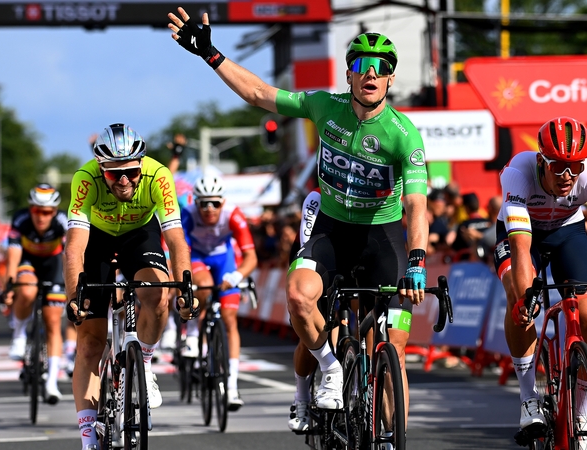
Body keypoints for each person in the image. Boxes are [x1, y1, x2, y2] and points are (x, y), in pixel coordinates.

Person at [167, 9, 429, 432]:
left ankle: (387, 437)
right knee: (299, 298)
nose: (371, 74)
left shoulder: (404, 134)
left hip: (383, 236)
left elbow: (417, 204)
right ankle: (325, 370)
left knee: (392, 352)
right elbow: (258, 94)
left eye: (381, 69)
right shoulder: (325, 106)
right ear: (349, 74)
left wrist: (417, 259)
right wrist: (210, 54)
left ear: (390, 80)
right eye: (361, 65)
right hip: (330, 227)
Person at [494, 116, 587, 441]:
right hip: (523, 235)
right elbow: (521, 247)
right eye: (558, 166)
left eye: (575, 167)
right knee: (519, 303)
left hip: (567, 232)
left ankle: (581, 415)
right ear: (541, 161)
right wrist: (525, 296)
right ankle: (527, 399)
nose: (567, 176)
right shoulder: (518, 173)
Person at [63, 123, 193, 450]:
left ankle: (145, 361)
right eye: (113, 174)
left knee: (157, 294)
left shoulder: (158, 175)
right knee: (90, 343)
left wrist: (185, 288)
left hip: (140, 235)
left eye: (131, 172)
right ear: (101, 170)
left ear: (141, 166)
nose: (124, 180)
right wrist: (72, 297)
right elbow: (75, 248)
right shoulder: (85, 177)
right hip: (98, 239)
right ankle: (88, 437)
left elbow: (176, 241)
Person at [180, 175, 258, 410]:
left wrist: (235, 277)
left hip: (224, 261)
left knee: (230, 319)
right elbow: (179, 250)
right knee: (202, 284)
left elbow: (251, 258)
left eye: (214, 203)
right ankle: (193, 333)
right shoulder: (188, 214)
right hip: (196, 258)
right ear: (196, 202)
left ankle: (232, 388)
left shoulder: (233, 215)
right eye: (204, 203)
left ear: (223, 202)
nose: (209, 209)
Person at [3, 184, 68, 404]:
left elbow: (71, 254)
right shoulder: (20, 220)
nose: (41, 216)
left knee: (52, 322)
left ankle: (52, 383)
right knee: (27, 290)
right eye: (37, 211)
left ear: (55, 211)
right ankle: (19, 334)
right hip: (28, 262)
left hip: (53, 264)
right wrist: (10, 286)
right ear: (30, 209)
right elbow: (13, 255)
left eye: (47, 212)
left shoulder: (63, 222)